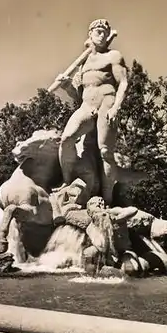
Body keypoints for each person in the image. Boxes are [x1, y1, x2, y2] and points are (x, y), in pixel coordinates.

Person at [55, 19, 128, 206]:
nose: (102, 35)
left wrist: (116, 107)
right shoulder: (84, 63)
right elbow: (77, 95)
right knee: (67, 139)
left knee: (105, 151)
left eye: (105, 32)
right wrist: (65, 86)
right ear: (90, 34)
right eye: (98, 31)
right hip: (87, 104)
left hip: (107, 101)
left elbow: (124, 83)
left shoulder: (114, 56)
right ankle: (67, 181)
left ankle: (108, 198)